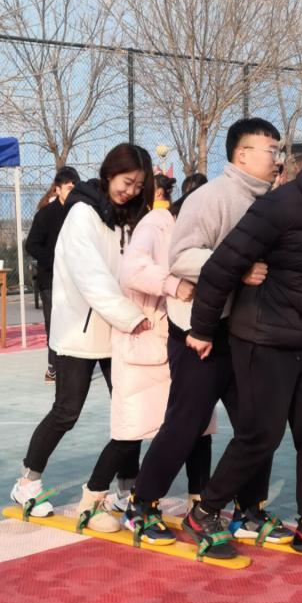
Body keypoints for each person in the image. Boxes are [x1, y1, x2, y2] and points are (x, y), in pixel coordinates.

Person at [184, 121, 302, 561]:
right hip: (263, 337)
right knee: (261, 435)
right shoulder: (277, 207)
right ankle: (205, 512)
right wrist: (201, 329)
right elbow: (220, 267)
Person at [125, 118, 289, 556]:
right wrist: (238, 267)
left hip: (246, 331)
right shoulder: (212, 197)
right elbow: (182, 258)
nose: (277, 159)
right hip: (201, 331)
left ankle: (248, 511)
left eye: (278, 151)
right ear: (242, 154)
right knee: (187, 422)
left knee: (257, 425)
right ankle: (142, 504)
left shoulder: (270, 202)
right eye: (271, 150)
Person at [9, 145, 154, 518]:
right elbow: (91, 277)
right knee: (67, 411)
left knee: (130, 411)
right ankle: (27, 483)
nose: (131, 191)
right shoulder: (82, 215)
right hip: (81, 330)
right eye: (127, 182)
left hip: (118, 330)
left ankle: (127, 487)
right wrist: (130, 316)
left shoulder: (129, 217)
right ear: (109, 173)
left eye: (138, 186)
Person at [78, 182, 210, 542]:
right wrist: (174, 285)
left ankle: (200, 503)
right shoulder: (156, 225)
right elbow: (133, 271)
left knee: (198, 427)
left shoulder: (197, 233)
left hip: (182, 340)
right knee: (130, 432)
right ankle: (92, 501)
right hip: (144, 338)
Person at [24, 166, 80, 382]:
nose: (72, 189)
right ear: (57, 189)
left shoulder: (81, 213)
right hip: (50, 279)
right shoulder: (45, 214)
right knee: (54, 322)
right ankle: (53, 366)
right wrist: (54, 260)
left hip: (76, 278)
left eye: (75, 186)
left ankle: (74, 365)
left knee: (75, 321)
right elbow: (31, 245)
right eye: (68, 186)